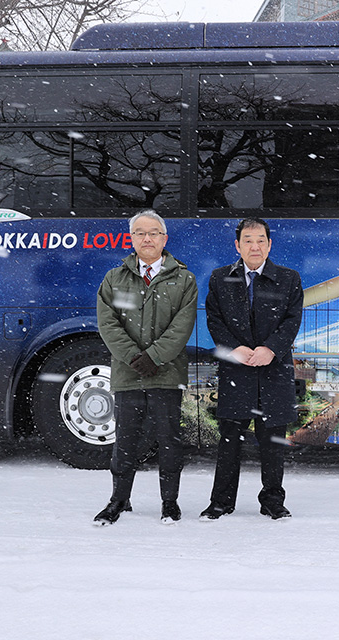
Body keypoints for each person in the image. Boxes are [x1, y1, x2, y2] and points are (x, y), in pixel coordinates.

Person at [93, 210, 197, 526]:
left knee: (169, 440)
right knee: (125, 440)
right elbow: (107, 322)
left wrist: (154, 356)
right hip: (128, 374)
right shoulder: (114, 278)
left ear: (164, 239)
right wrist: (133, 357)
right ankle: (118, 500)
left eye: (153, 232)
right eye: (140, 233)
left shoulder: (183, 278)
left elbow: (183, 324)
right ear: (132, 238)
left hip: (167, 373)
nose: (147, 238)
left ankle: (170, 503)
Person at [200, 217, 303, 521]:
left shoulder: (288, 278)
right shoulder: (221, 278)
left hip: (274, 369)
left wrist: (271, 348)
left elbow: (292, 320)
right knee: (229, 441)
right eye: (248, 240)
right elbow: (214, 320)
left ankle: (272, 501)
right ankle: (220, 502)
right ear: (237, 245)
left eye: (260, 240)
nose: (254, 246)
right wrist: (235, 348)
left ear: (269, 245)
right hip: (237, 372)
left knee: (272, 443)